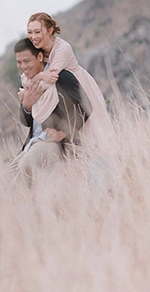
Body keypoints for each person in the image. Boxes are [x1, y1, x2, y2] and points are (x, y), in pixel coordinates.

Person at [25, 12, 115, 144]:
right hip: (59, 93)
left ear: (50, 30)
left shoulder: (62, 49)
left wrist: (33, 84)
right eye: (30, 32)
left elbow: (47, 82)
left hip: (76, 87)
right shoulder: (35, 51)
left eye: (37, 32)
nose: (33, 37)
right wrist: (40, 76)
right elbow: (25, 77)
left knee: (92, 133)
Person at [14, 38, 91, 184]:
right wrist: (27, 106)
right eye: (19, 62)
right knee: (4, 180)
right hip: (33, 142)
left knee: (26, 165)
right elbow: (25, 121)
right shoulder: (26, 82)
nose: (23, 66)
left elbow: (85, 108)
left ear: (40, 57)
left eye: (27, 61)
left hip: (55, 144)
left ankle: (37, 204)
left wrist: (63, 133)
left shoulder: (61, 76)